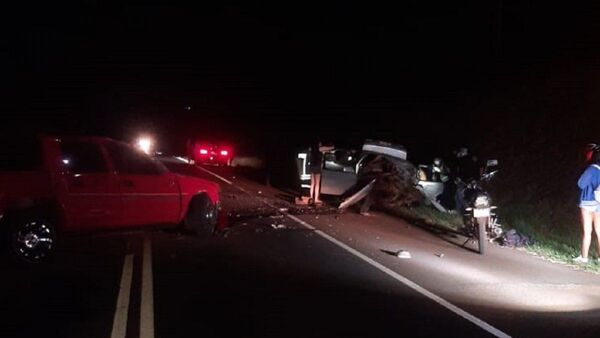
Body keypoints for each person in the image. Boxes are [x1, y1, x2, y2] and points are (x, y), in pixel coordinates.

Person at [574, 143, 600, 263]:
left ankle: (584, 257)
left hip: (587, 202)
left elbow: (581, 184)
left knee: (587, 231)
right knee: (599, 232)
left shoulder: (591, 169)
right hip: (599, 203)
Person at [307, 141, 334, 205]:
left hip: (312, 166)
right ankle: (316, 198)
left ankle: (311, 197)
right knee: (317, 184)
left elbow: (326, 151)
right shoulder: (320, 149)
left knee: (312, 183)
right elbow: (328, 148)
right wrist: (332, 146)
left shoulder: (312, 149)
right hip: (317, 167)